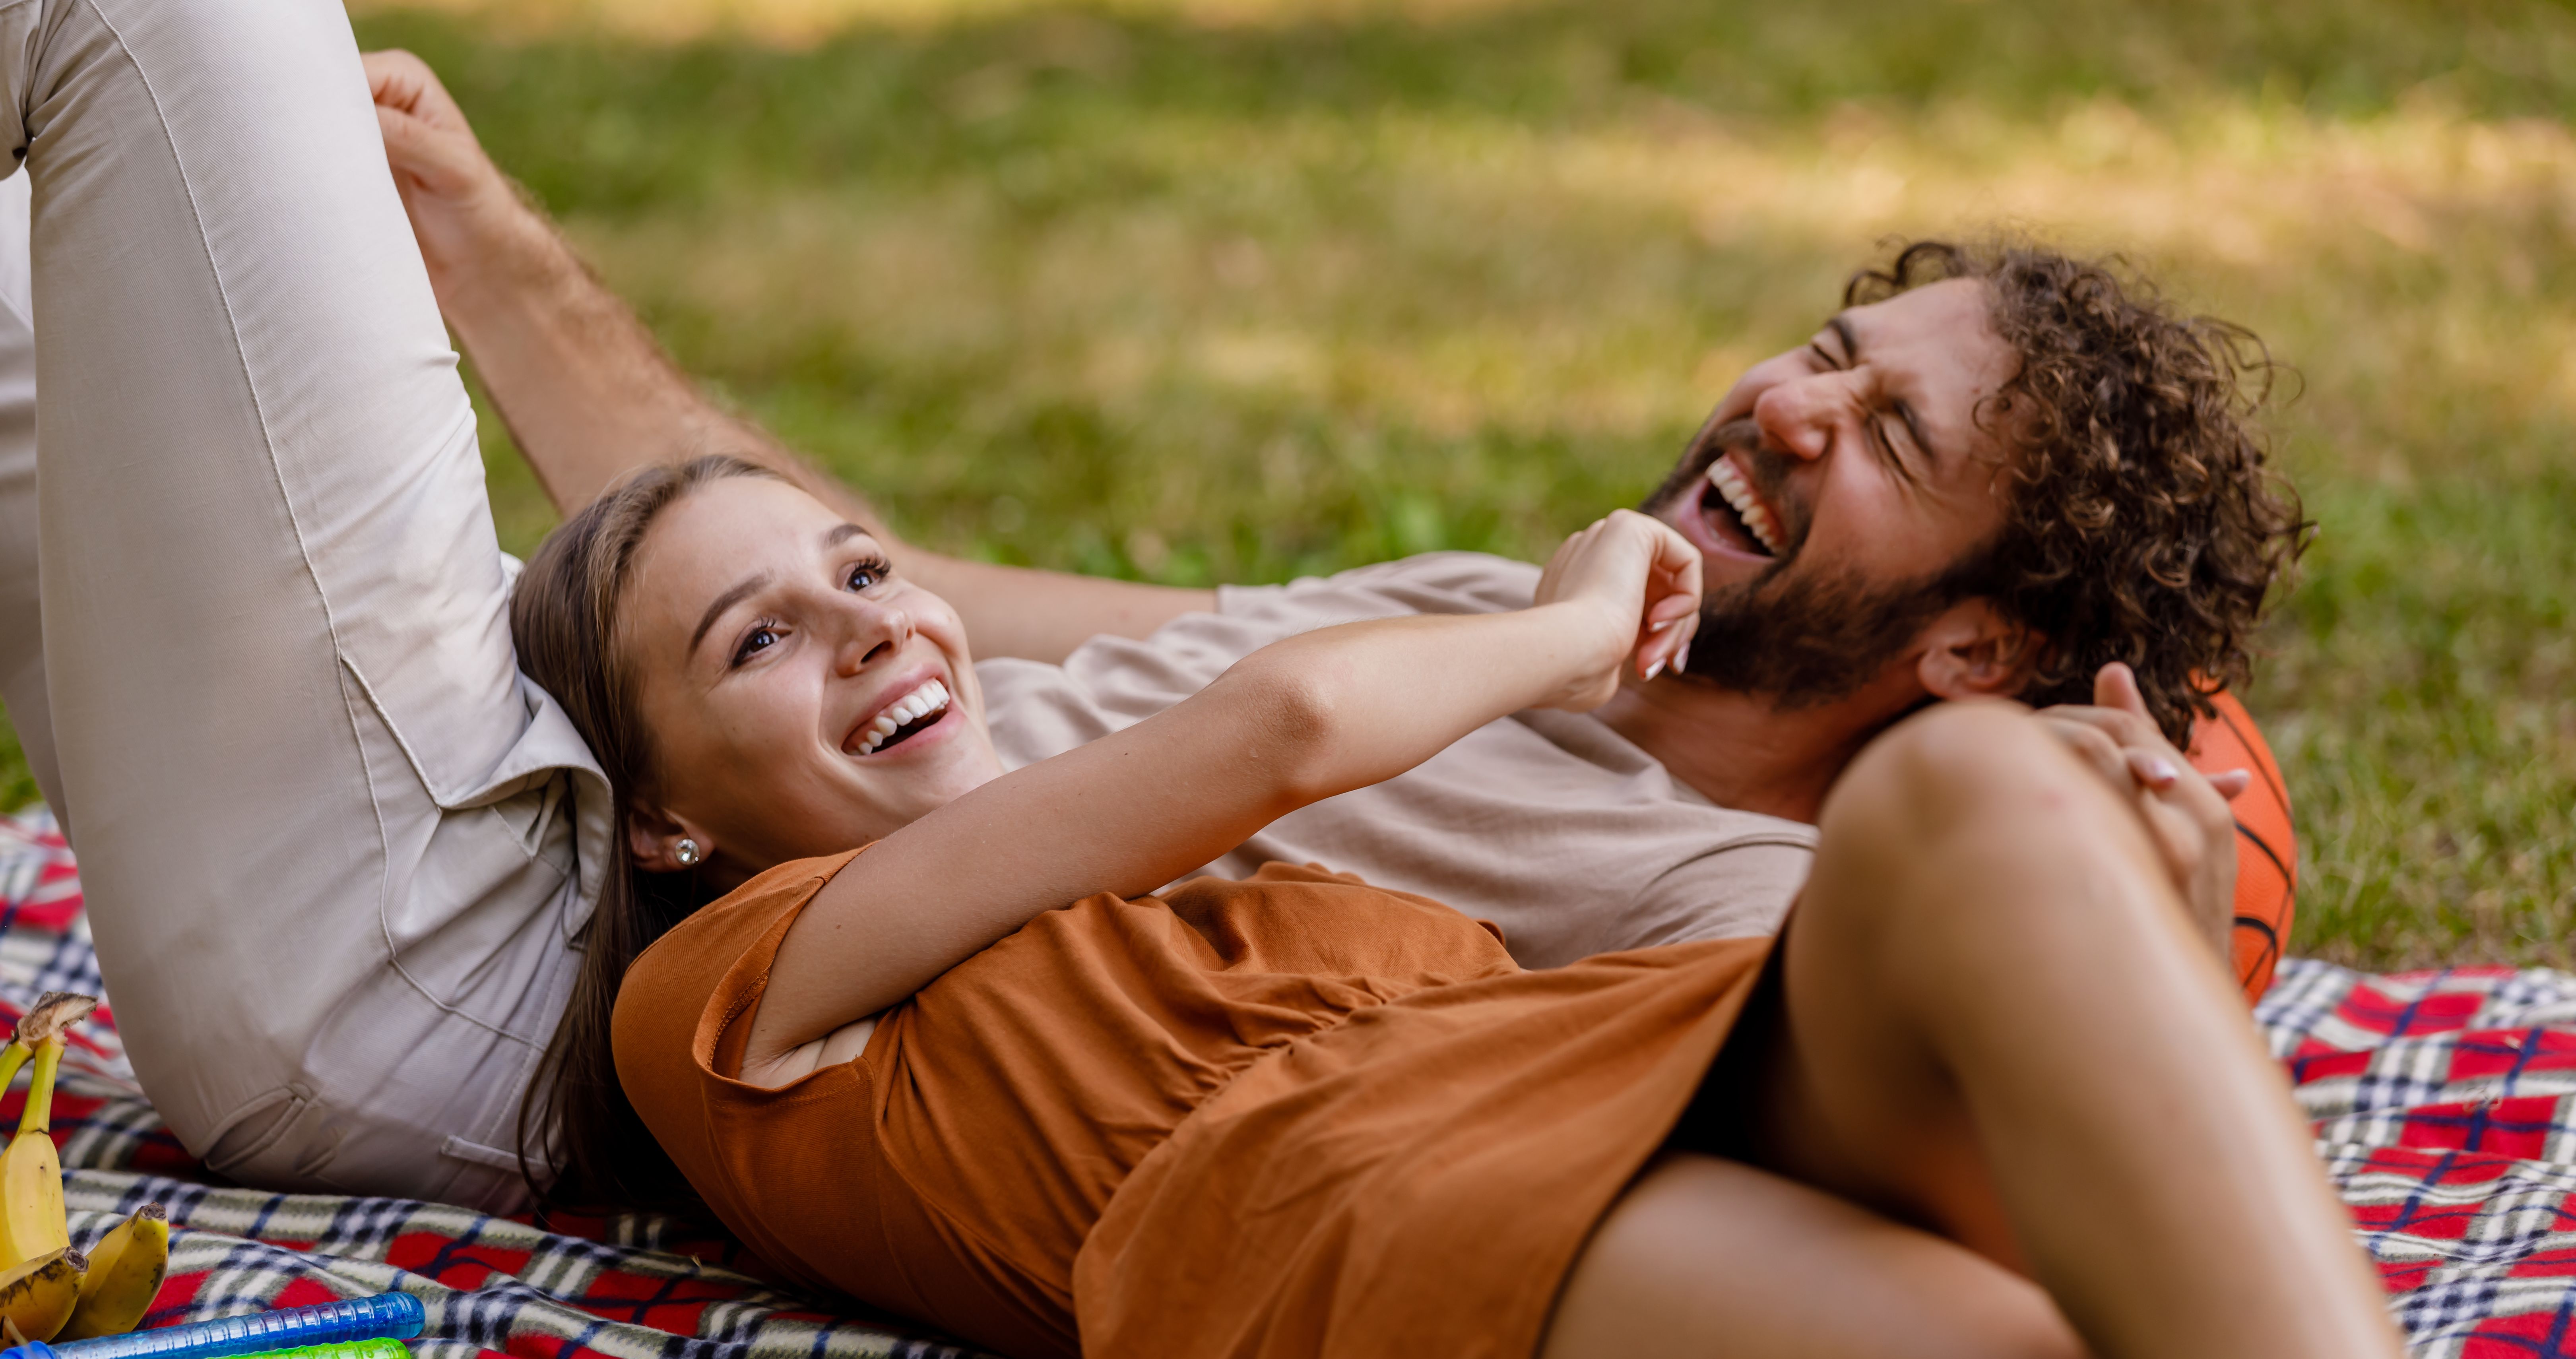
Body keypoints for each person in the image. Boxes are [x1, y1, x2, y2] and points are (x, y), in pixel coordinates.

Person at [515, 448, 2568, 1359]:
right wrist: (1573, 620)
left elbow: (1745, 959)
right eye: (755, 643)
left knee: (1972, 788)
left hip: (1562, 1078)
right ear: (673, 819)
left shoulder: (1215, 900)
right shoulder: (729, 987)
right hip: (1351, 1231)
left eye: (864, 567)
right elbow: (1297, 719)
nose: (863, 629)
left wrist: (2149, 912)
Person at [365, 50, 2305, 1002]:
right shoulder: (1478, 605)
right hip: (597, 762)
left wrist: (2107, 882)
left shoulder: (1726, 900)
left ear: (1974, 646)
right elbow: (921, 598)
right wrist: (469, 222)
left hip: (482, 929)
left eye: (1885, 432)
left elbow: (1941, 1049)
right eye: (1823, 345)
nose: (1784, 406)